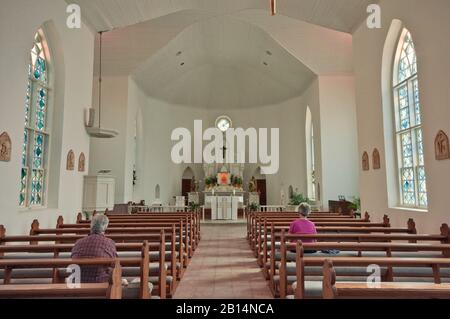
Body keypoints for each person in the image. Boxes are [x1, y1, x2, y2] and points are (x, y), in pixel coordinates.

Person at [71, 214, 118, 283]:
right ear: (105, 227)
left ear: (91, 226)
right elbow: (114, 265)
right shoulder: (109, 243)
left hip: (78, 283)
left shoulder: (78, 242)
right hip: (100, 284)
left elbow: (73, 259)